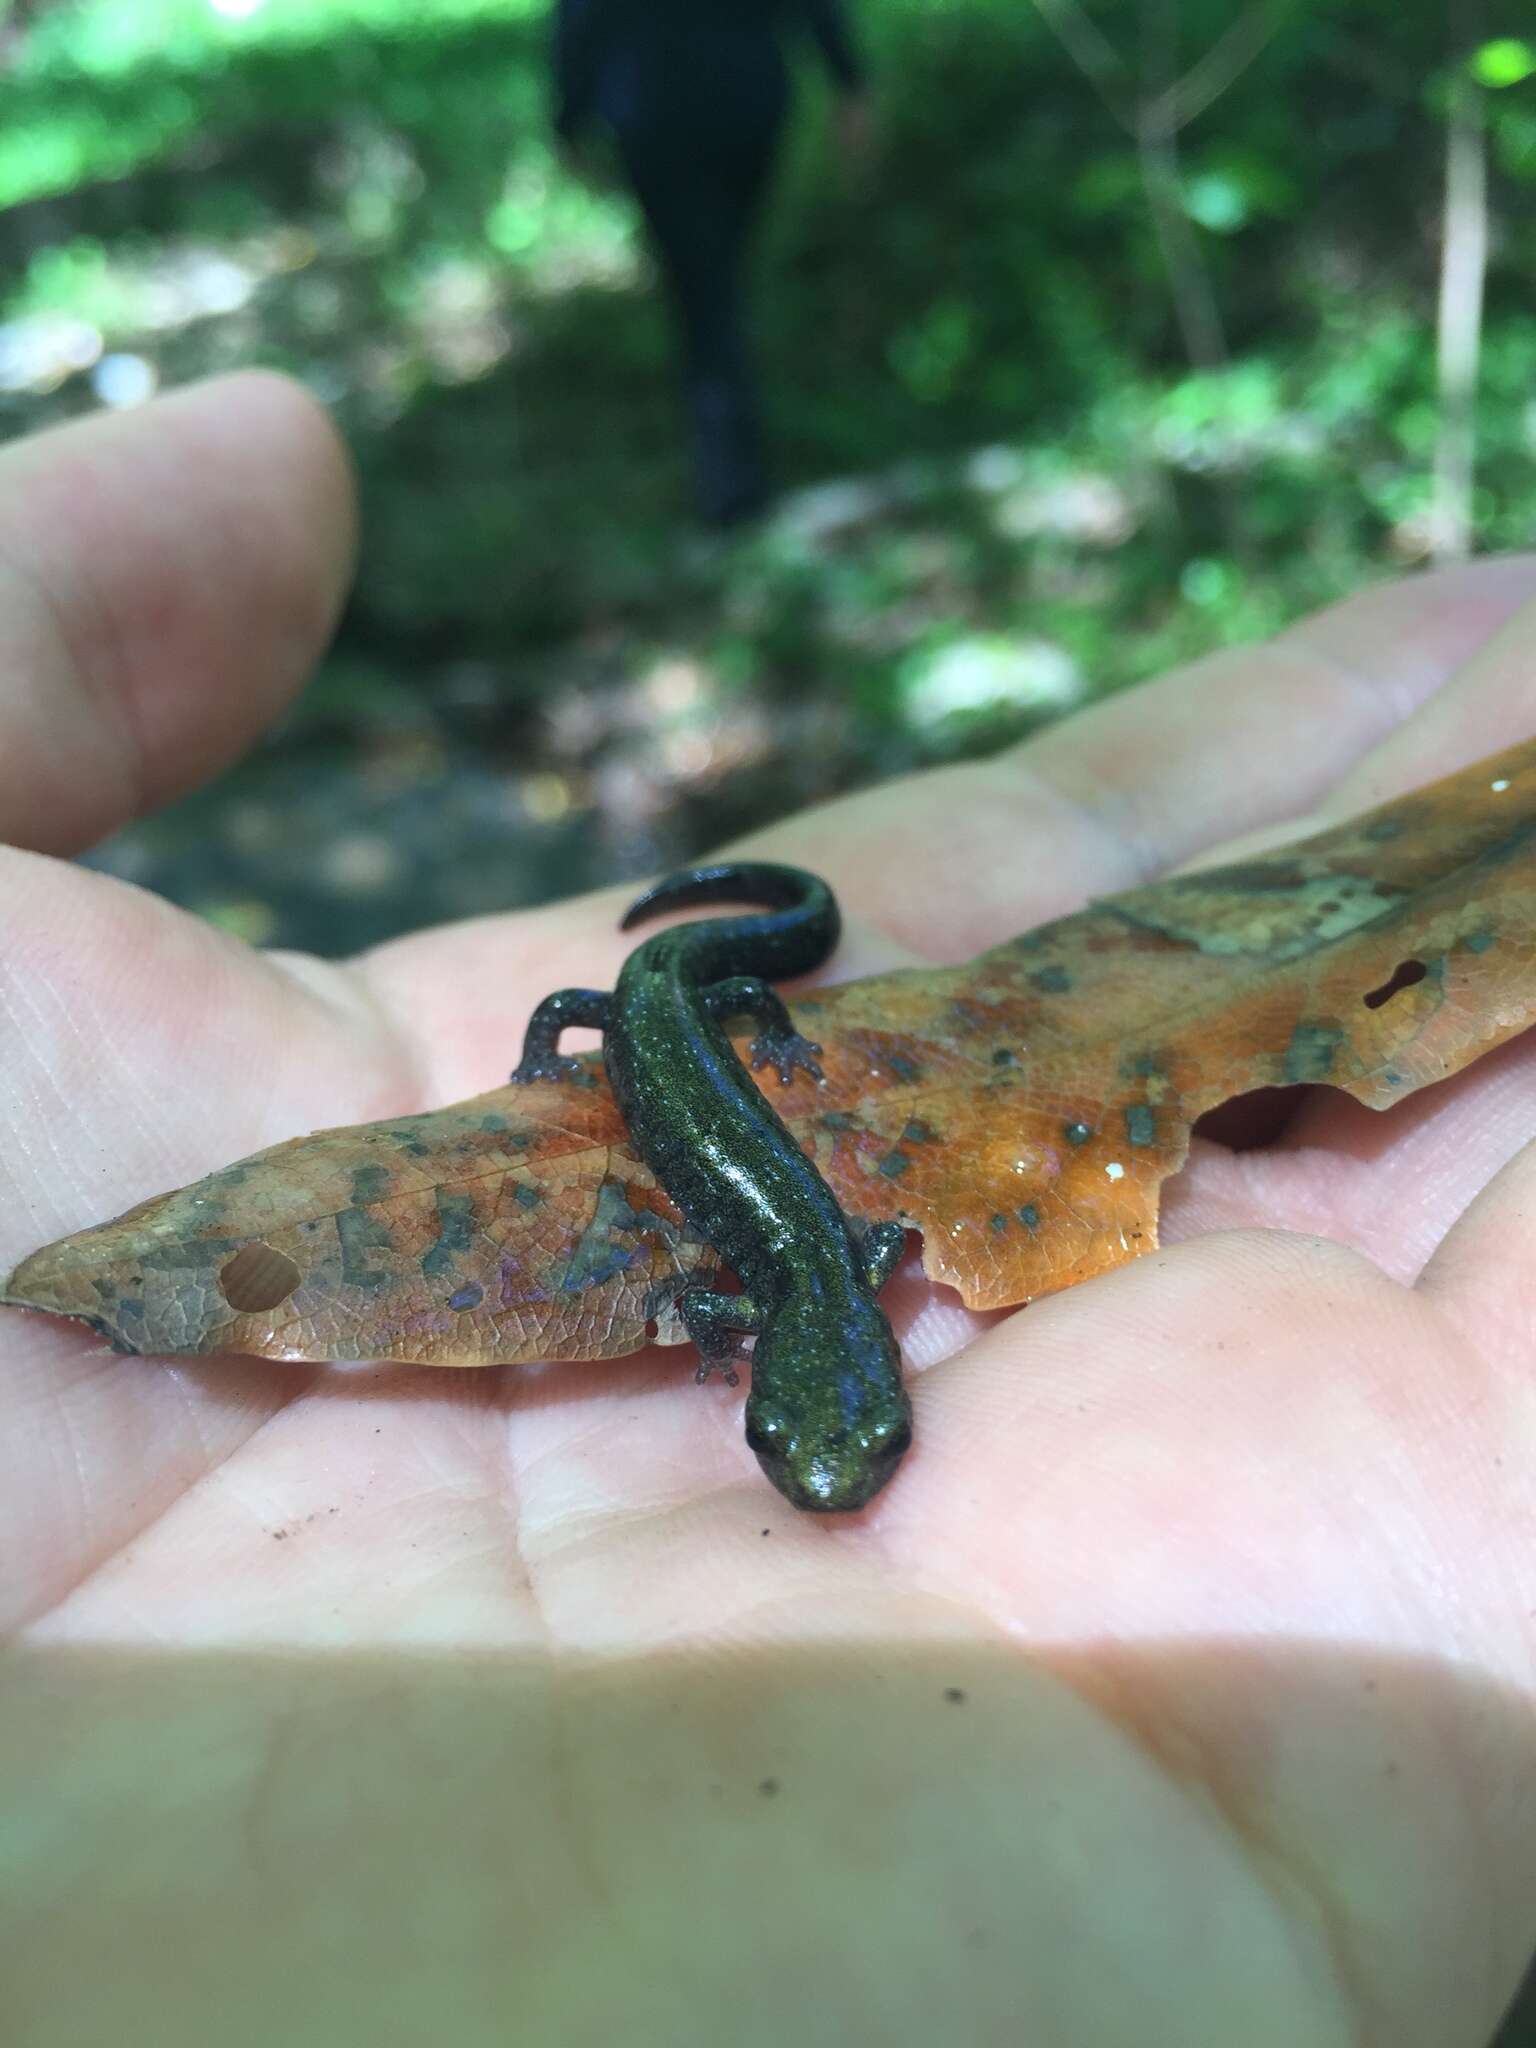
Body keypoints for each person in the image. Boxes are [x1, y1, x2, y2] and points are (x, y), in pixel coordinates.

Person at [2, 374, 1535, 2046]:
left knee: (742, 955)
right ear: (855, 1371)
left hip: (704, 1021)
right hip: (655, 1020)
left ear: (858, 1383)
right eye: (838, 1447)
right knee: (643, 994)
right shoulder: (824, 1281)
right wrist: (554, 1077)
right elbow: (855, 1244)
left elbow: (831, 1259)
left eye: (843, 1447)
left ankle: (738, 943)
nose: (830, 1470)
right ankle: (695, 964)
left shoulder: (792, 1294)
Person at [551, 0, 869, 526]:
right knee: (716, 283)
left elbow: (578, 20)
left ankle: (732, 488)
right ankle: (739, 473)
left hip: (658, 114)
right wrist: (848, 79)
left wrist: (568, 118)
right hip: (745, 100)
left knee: (704, 292)